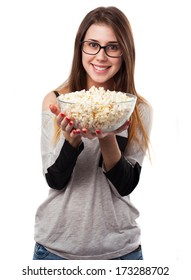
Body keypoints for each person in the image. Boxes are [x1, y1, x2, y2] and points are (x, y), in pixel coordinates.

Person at [33, 6, 152, 260]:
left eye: (113, 47)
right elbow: (54, 179)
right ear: (80, 48)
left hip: (121, 250)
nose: (101, 56)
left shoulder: (137, 109)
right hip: (55, 250)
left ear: (125, 52)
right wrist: (71, 141)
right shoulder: (56, 101)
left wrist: (107, 135)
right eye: (93, 44)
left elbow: (125, 185)